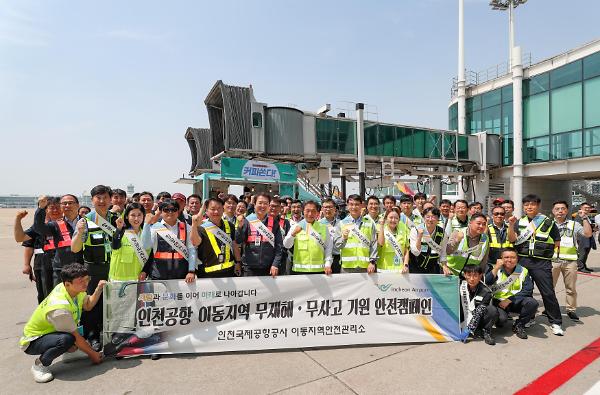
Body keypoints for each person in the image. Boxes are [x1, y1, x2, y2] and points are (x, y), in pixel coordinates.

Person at [20, 263, 104, 383]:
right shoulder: (59, 307)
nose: (85, 283)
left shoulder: (72, 289)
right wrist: (93, 354)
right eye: (81, 281)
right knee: (66, 339)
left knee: (78, 327)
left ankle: (71, 352)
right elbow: (75, 335)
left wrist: (98, 289)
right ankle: (40, 365)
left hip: (54, 331)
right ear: (68, 283)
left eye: (87, 279)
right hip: (33, 340)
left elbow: (88, 305)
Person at [508, 194, 564, 336]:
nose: (529, 207)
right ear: (523, 207)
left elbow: (557, 241)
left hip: (541, 262)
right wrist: (510, 224)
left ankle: (556, 322)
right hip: (523, 261)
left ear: (538, 205)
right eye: (526, 205)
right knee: (524, 291)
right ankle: (528, 318)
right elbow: (512, 240)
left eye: (532, 204)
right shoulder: (518, 222)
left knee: (548, 292)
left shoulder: (548, 222)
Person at [71, 185, 117, 351]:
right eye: (98, 198)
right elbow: (75, 248)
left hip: (113, 267)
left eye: (105, 197)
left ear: (110, 199)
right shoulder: (85, 221)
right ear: (92, 200)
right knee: (91, 303)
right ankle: (92, 336)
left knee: (112, 302)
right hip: (92, 269)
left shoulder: (116, 218)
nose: (102, 201)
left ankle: (110, 333)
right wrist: (79, 231)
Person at [551, 201, 592, 322]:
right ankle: (550, 308)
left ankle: (571, 309)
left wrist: (584, 218)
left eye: (562, 208)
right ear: (553, 211)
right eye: (557, 209)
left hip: (570, 261)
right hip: (552, 261)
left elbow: (588, 234)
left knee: (571, 288)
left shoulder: (574, 224)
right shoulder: (548, 224)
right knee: (549, 288)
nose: (560, 211)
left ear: (567, 211)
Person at [14, 200, 62, 303]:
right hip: (43, 264)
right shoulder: (39, 227)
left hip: (64, 264)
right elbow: (22, 240)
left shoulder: (69, 224)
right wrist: (18, 219)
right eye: (51, 208)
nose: (55, 210)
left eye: (58, 207)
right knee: (45, 295)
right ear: (46, 211)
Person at [485, 248, 537, 340]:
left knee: (532, 303)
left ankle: (519, 325)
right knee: (501, 322)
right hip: (499, 302)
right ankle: (502, 318)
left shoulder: (523, 270)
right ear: (501, 258)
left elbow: (528, 289)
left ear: (517, 259)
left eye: (513, 257)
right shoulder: (495, 268)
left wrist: (509, 300)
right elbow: (487, 282)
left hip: (516, 300)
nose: (509, 260)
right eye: (506, 257)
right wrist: (496, 268)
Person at [141, 199, 199, 281]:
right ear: (161, 212)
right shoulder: (154, 227)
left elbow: (191, 250)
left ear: (178, 211)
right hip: (158, 275)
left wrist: (191, 271)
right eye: (166, 210)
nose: (170, 212)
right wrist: (146, 224)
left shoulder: (186, 227)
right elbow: (146, 246)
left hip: (181, 275)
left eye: (173, 209)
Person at [33, 195, 83, 286]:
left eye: (70, 203)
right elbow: (39, 228)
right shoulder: (55, 225)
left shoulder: (87, 222)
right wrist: (41, 208)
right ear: (61, 207)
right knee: (61, 298)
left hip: (83, 269)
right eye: (64, 203)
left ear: (78, 205)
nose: (67, 205)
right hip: (62, 270)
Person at [235, 193, 283, 277]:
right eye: (260, 203)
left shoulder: (274, 223)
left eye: (265, 203)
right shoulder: (247, 220)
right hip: (249, 267)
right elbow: (238, 240)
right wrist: (239, 227)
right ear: (254, 205)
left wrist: (275, 264)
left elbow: (279, 245)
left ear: (268, 206)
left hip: (268, 268)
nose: (262, 206)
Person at [194, 198, 241, 278]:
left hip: (229, 271)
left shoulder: (229, 225)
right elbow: (195, 243)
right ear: (207, 211)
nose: (216, 212)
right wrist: (194, 225)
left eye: (219, 209)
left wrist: (238, 262)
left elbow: (234, 245)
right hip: (207, 273)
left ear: (223, 210)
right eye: (213, 209)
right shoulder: (201, 227)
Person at [284, 201, 333, 275]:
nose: (310, 214)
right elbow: (287, 245)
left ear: (317, 213)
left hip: (319, 270)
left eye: (313, 211)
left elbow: (328, 248)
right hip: (299, 270)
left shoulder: (323, 228)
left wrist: (328, 264)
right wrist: (293, 234)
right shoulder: (296, 226)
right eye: (307, 211)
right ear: (303, 211)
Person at [334, 194, 378, 274]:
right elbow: (337, 246)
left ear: (362, 205)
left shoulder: (369, 223)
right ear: (347, 206)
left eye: (357, 204)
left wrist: (372, 262)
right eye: (351, 204)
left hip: (366, 267)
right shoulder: (341, 223)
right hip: (347, 267)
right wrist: (343, 238)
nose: (354, 207)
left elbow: (374, 244)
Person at [109, 203, 149, 282]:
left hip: (139, 279)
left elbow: (150, 256)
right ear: (127, 216)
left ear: (143, 216)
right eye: (133, 215)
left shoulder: (147, 234)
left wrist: (145, 271)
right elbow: (115, 245)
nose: (136, 218)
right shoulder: (120, 232)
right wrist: (119, 229)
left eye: (139, 215)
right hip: (118, 279)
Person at [459, 264, 498, 345]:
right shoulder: (459, 286)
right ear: (464, 275)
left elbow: (480, 311)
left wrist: (469, 329)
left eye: (475, 276)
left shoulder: (487, 291)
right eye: (469, 275)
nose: (472, 279)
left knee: (492, 310)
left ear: (480, 276)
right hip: (462, 317)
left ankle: (485, 331)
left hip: (478, 318)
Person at [409, 207, 448, 274]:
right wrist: (419, 237)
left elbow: (443, 252)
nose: (430, 219)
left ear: (438, 219)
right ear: (423, 218)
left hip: (432, 268)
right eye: (428, 217)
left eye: (433, 217)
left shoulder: (442, 233)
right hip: (415, 267)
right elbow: (415, 252)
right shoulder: (415, 230)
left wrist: (444, 266)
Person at [377, 208, 410, 273]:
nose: (393, 220)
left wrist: (406, 265)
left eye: (396, 218)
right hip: (384, 269)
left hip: (400, 269)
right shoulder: (380, 228)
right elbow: (380, 243)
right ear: (386, 218)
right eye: (391, 217)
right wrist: (381, 226)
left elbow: (406, 250)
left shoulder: (403, 229)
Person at [270, 197, 291, 275]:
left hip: (281, 258)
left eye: (277, 206)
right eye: (272, 206)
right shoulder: (262, 222)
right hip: (265, 259)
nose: (274, 208)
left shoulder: (286, 222)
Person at [487, 206, 512, 271]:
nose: (499, 216)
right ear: (492, 215)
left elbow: (513, 240)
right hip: (490, 264)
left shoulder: (510, 227)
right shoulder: (486, 227)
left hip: (507, 264)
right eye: (496, 214)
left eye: (502, 214)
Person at [320, 198, 341, 274]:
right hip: (323, 259)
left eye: (330, 207)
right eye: (325, 207)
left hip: (337, 258)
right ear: (322, 209)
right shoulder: (318, 224)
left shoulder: (341, 223)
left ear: (335, 209)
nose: (328, 209)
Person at [574, 202, 595, 273]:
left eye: (588, 208)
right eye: (585, 208)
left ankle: (584, 266)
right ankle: (580, 267)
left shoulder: (586, 216)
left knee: (586, 252)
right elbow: (578, 227)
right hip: (582, 237)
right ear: (581, 208)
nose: (587, 209)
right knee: (582, 252)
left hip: (588, 236)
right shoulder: (579, 216)